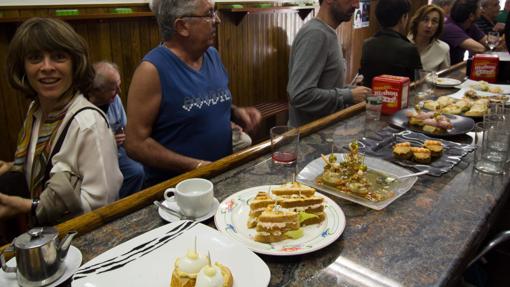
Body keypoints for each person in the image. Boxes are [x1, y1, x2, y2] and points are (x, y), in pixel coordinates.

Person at [0, 18, 122, 226]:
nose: (47, 67)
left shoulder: (88, 123)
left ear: (75, 64)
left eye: (58, 57)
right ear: (24, 67)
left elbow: (103, 207)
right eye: (35, 58)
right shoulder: (35, 111)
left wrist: (30, 207)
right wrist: (12, 167)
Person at [125, 0, 261, 186]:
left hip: (219, 178)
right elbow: (135, 144)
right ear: (182, 26)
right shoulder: (151, 71)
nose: (218, 20)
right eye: (209, 14)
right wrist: (195, 166)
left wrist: (236, 112)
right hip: (176, 193)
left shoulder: (212, 55)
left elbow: (203, 102)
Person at [287, 0, 370, 127]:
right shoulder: (315, 34)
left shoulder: (326, 31)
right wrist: (348, 95)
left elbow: (326, 87)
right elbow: (300, 95)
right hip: (308, 139)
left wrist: (353, 91)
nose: (356, 5)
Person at [89, 61, 145, 198]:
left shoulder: (115, 100)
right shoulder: (82, 108)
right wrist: (109, 139)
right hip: (92, 158)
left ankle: (126, 205)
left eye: (118, 86)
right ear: (97, 90)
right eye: (114, 89)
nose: (119, 92)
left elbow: (124, 128)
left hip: (117, 151)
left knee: (137, 171)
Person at [360, 0, 422, 86]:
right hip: (398, 99)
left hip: (370, 98)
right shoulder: (409, 49)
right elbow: (418, 84)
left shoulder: (367, 44)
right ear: (403, 17)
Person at [440, 0, 488, 65]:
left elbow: (489, 43)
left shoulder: (470, 25)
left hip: (456, 68)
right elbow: (480, 49)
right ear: (471, 16)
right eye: (479, 8)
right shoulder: (449, 28)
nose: (482, 11)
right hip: (444, 71)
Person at [408, 4, 451, 71]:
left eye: (434, 21)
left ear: (438, 27)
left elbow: (445, 78)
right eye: (425, 20)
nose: (429, 25)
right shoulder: (404, 43)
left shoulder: (443, 49)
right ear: (417, 22)